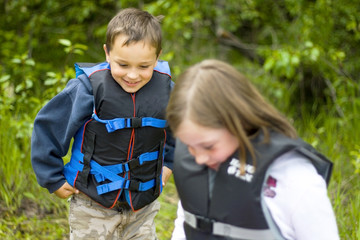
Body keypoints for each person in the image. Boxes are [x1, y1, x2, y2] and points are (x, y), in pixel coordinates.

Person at [31, 8, 174, 239]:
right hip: (92, 203)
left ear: (158, 57)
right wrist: (52, 178)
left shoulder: (166, 90)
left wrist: (169, 163)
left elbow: (179, 132)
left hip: (143, 207)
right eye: (123, 65)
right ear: (107, 53)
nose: (133, 75)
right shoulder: (88, 88)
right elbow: (49, 128)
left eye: (144, 66)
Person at [166, 59, 339, 240]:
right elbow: (186, 222)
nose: (199, 159)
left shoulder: (294, 179)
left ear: (239, 122)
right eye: (189, 146)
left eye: (208, 146)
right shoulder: (194, 162)